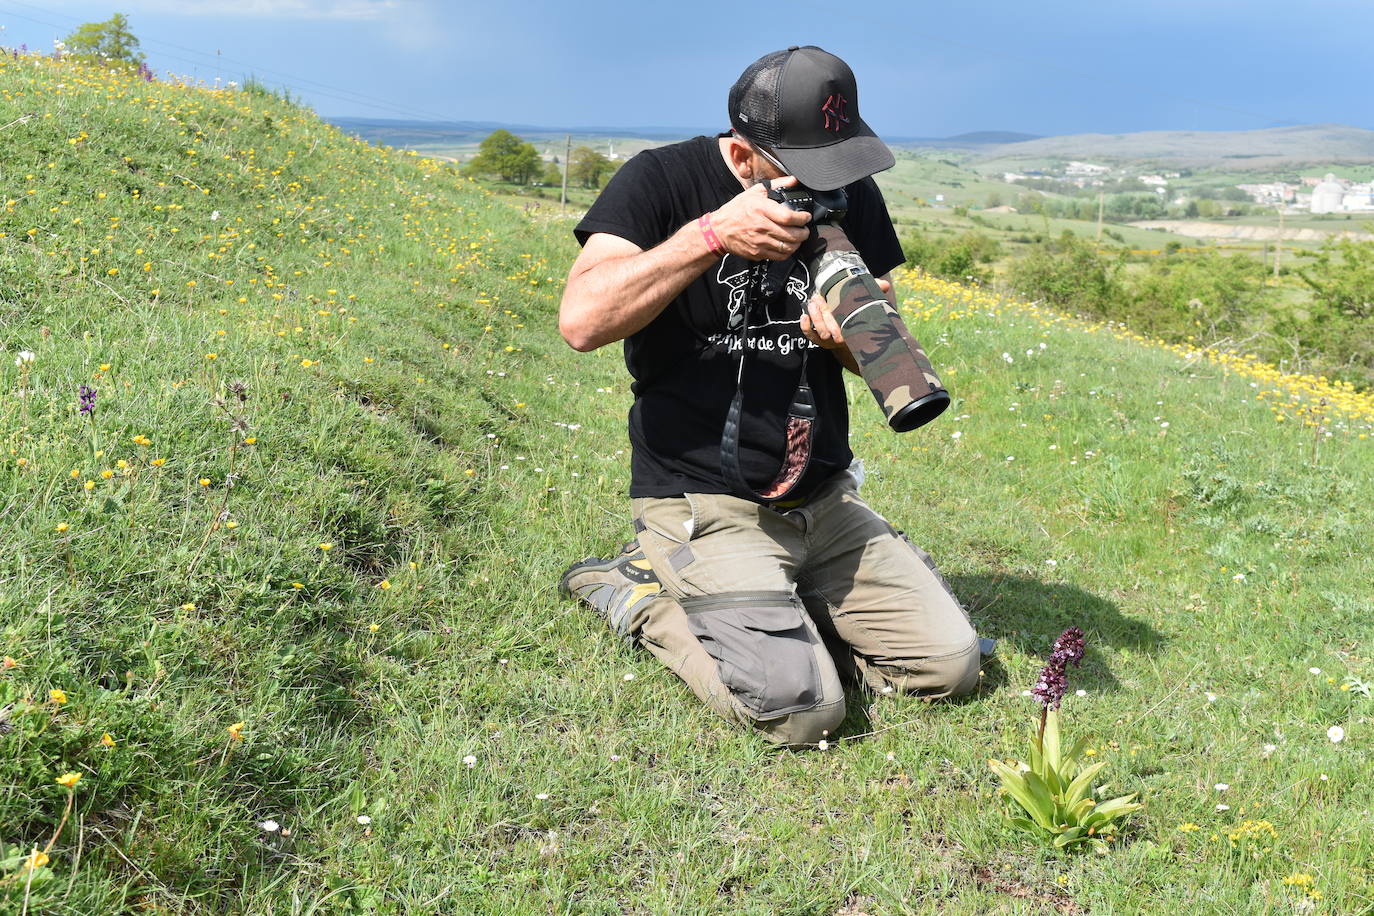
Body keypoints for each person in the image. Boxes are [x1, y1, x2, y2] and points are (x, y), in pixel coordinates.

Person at [558, 46, 984, 747]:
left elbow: (879, 343)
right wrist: (710, 236)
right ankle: (637, 592)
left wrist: (841, 338)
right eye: (803, 170)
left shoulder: (848, 193)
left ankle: (784, 612)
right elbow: (581, 321)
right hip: (701, 498)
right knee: (801, 711)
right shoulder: (660, 180)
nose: (821, 188)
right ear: (743, 150)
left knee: (949, 667)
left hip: (820, 496)